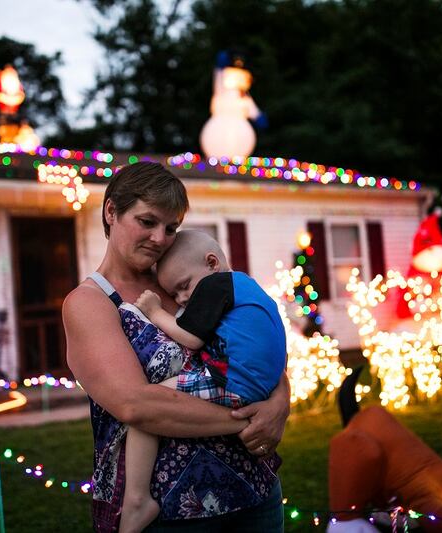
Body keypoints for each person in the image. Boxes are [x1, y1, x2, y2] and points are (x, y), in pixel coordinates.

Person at [62, 162, 290, 533]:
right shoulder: (91, 302)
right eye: (147, 221)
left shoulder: (185, 281)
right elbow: (136, 405)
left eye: (170, 228)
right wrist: (251, 421)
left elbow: (256, 345)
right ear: (111, 211)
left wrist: (280, 401)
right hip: (169, 512)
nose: (159, 238)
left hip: (254, 493)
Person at [120, 230, 287, 532]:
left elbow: (192, 339)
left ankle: (137, 500)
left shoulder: (216, 283)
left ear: (211, 263)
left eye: (184, 286)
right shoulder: (246, 286)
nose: (183, 298)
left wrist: (156, 311)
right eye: (175, 294)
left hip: (234, 384)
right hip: (255, 386)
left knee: (149, 406)